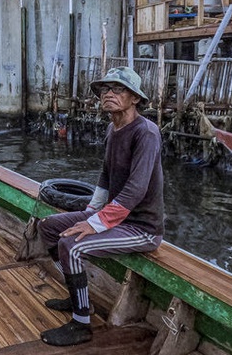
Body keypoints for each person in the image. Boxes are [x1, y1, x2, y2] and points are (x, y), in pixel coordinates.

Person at [37, 66, 164, 346]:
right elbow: (106, 175)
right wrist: (93, 210)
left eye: (118, 89)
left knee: (72, 244)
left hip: (142, 227)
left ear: (135, 99)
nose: (109, 94)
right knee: (48, 228)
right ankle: (77, 296)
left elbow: (135, 189)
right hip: (116, 219)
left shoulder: (146, 133)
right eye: (105, 89)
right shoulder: (113, 129)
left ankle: (81, 323)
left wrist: (95, 223)